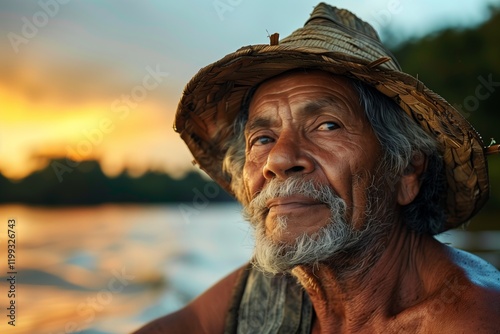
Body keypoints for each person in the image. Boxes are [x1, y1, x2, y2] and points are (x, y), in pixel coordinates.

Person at [134, 3, 500, 333]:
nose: (279, 160)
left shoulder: (469, 317)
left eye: (327, 125)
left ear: (406, 172)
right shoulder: (271, 290)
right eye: (262, 138)